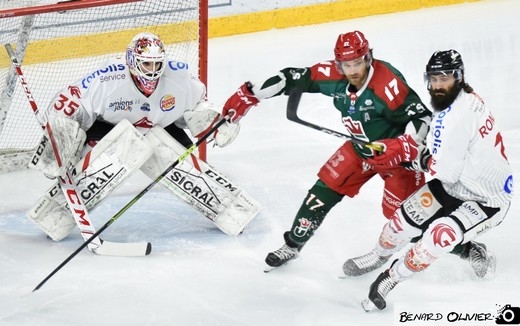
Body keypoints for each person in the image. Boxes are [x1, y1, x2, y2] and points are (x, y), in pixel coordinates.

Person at [221, 30, 432, 271]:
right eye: (345, 64)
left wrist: (406, 145)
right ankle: (292, 246)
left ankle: (464, 247)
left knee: (408, 219)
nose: (352, 70)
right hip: (359, 149)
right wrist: (250, 94)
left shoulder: (387, 84)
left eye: (357, 63)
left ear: (368, 58)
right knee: (321, 193)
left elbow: (422, 118)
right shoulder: (334, 74)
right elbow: (293, 77)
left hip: (397, 159)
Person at [27, 32, 241, 241]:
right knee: (93, 167)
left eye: (157, 64)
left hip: (162, 129)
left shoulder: (181, 79)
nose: (153, 71)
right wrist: (58, 143)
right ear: (131, 60)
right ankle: (55, 215)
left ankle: (227, 208)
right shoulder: (106, 80)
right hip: (109, 130)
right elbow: (68, 103)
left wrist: (215, 122)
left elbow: (199, 107)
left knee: (185, 166)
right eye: (147, 64)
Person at [357, 49, 513, 311]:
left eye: (445, 78)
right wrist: (411, 149)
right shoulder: (460, 101)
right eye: (434, 79)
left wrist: (415, 157)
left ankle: (390, 278)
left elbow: (445, 169)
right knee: (400, 222)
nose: (438, 85)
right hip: (457, 184)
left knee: (438, 236)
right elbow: (444, 153)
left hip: (488, 198)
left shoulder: (458, 116)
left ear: (459, 77)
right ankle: (378, 255)